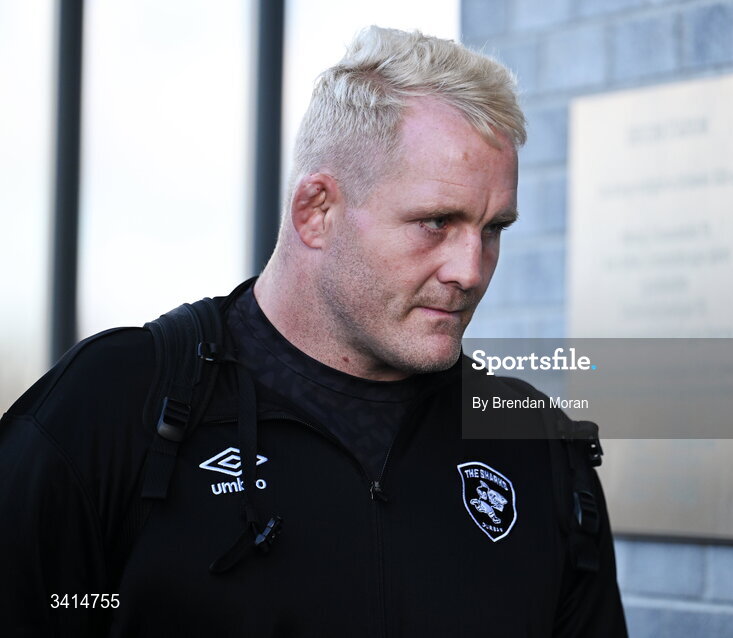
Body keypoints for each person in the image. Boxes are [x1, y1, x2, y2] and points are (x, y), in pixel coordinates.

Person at [0, 26, 627, 637]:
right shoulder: (114, 410)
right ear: (316, 211)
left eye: (493, 229)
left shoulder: (535, 445)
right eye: (437, 221)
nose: (471, 271)